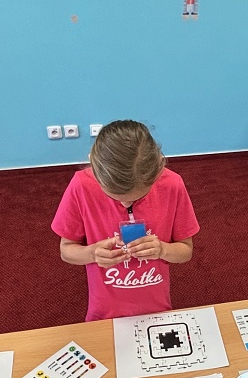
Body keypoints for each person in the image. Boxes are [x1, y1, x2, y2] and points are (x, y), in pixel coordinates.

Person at [51, 119, 200, 321]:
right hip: (102, 311)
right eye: (113, 196)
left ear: (158, 169)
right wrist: (92, 253)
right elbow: (66, 251)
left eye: (138, 196)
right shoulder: (80, 186)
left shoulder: (173, 185)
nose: (125, 204)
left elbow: (186, 251)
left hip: (157, 308)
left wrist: (162, 249)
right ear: (93, 166)